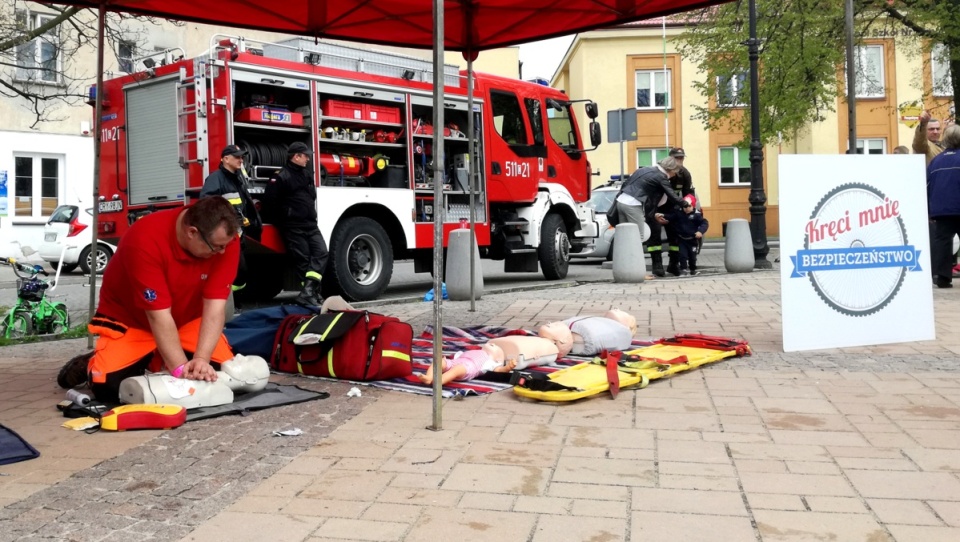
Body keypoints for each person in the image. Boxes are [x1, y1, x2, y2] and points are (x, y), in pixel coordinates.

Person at [57, 197, 242, 402]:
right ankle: (94, 362)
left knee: (219, 374)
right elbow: (158, 317)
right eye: (216, 247)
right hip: (134, 321)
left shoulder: (224, 239)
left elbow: (215, 308)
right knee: (110, 388)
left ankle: (155, 358)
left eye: (226, 245)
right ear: (192, 233)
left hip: (186, 320)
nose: (223, 252)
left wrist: (201, 360)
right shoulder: (144, 239)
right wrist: (181, 372)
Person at [263, 141, 329, 307]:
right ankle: (311, 295)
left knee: (321, 253)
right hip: (293, 227)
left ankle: (309, 293)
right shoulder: (280, 176)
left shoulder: (306, 174)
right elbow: (270, 204)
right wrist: (286, 219)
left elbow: (311, 196)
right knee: (304, 261)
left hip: (310, 225)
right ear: (296, 156)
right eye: (305, 155)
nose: (308, 158)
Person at [200, 144, 262, 309]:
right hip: (225, 234)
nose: (240, 160)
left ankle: (234, 300)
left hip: (237, 232)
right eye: (237, 157)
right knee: (238, 270)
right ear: (225, 159)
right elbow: (206, 202)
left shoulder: (238, 177)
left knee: (240, 271)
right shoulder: (216, 178)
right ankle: (227, 302)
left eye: (241, 157)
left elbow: (242, 202)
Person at [614, 156, 686, 277]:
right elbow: (672, 195)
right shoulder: (661, 177)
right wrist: (685, 204)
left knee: (625, 237)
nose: (674, 175)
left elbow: (626, 184)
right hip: (633, 205)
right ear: (670, 169)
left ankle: (624, 271)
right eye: (675, 172)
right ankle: (638, 273)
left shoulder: (644, 169)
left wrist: (653, 215)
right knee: (638, 238)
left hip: (621, 202)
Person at [926, 124, 960, 289]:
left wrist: (929, 210)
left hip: (941, 210)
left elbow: (927, 185)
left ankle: (942, 277)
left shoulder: (936, 161)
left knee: (943, 242)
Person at [663, 147, 697, 275]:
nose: (679, 160)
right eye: (677, 158)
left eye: (681, 158)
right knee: (655, 238)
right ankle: (657, 265)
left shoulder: (685, 174)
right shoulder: (664, 173)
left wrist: (687, 204)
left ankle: (673, 264)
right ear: (670, 158)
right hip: (661, 208)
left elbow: (688, 193)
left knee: (675, 238)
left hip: (676, 209)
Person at [417, 344, 518, 386]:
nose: (492, 345)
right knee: (438, 361)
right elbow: (456, 357)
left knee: (456, 370)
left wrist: (508, 367)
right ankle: (429, 377)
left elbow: (499, 371)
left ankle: (439, 381)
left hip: (468, 368)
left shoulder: (491, 362)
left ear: (498, 359)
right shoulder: (475, 350)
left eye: (494, 347)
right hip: (456, 361)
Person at [663, 194, 709, 276]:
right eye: (684, 206)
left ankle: (693, 269)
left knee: (692, 256)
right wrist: (663, 215)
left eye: (689, 206)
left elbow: (704, 223)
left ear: (693, 206)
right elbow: (671, 217)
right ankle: (683, 269)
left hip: (692, 239)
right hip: (682, 239)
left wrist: (700, 231)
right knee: (682, 255)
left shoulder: (696, 215)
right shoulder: (679, 213)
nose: (686, 208)